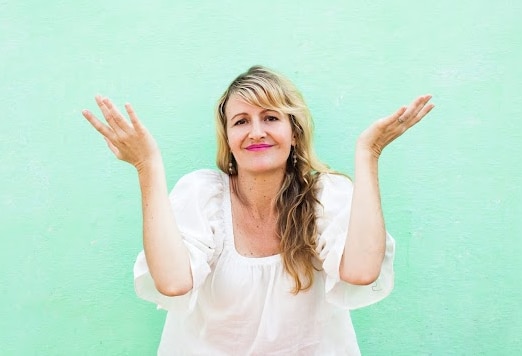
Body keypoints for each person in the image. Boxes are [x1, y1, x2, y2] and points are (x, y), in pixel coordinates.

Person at [82, 65, 434, 355]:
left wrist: (368, 153)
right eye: (241, 121)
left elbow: (361, 272)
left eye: (270, 118)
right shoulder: (203, 196)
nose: (256, 132)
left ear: (294, 132)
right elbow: (173, 282)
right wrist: (147, 166)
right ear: (229, 139)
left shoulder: (326, 196)